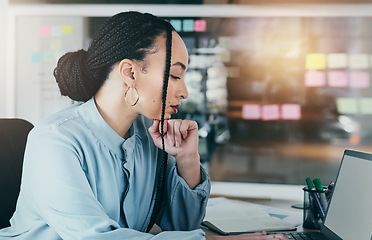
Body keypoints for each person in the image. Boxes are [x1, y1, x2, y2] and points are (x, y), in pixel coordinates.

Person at [0, 11, 288, 240]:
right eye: (175, 76)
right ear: (129, 72)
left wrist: (187, 159)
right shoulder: (55, 141)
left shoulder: (147, 137)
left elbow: (183, 226)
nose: (184, 91)